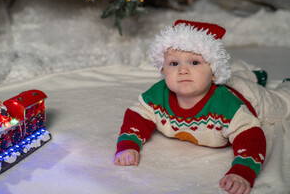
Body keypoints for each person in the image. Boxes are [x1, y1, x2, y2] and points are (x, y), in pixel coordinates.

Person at [114, 20, 290, 194]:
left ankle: (267, 81)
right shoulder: (158, 95)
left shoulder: (226, 107)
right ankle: (250, 73)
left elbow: (250, 134)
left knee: (282, 104)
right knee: (234, 78)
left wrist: (242, 172)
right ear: (163, 70)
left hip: (248, 96)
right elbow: (137, 116)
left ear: (214, 71)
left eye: (194, 62)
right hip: (228, 82)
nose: (183, 70)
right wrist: (128, 144)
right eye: (174, 64)